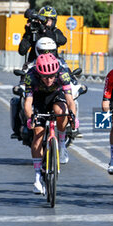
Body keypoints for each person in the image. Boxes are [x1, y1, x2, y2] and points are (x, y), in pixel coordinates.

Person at [24, 53, 78, 194]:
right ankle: (37, 178)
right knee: (37, 135)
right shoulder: (31, 76)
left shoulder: (63, 74)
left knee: (61, 110)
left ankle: (61, 142)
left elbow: (70, 101)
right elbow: (28, 103)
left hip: (57, 95)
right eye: (45, 77)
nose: (49, 80)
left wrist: (73, 117)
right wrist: (31, 119)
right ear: (39, 74)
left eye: (52, 76)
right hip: (39, 99)